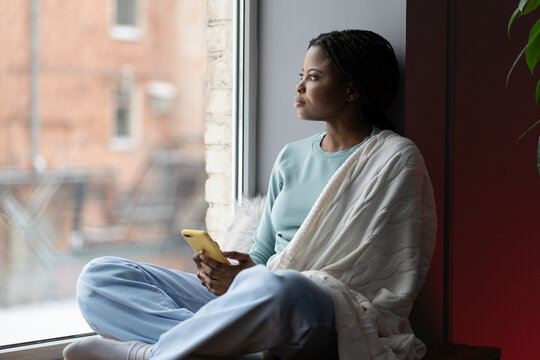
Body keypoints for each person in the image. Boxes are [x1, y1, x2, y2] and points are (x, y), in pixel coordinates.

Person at [63, 30, 436, 360]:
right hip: (254, 295)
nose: (299, 86)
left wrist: (253, 280)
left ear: (351, 89)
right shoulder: (291, 157)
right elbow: (261, 252)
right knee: (100, 278)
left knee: (286, 287)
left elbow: (379, 269)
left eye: (313, 77)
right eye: (300, 76)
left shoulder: (394, 157)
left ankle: (151, 353)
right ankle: (220, 349)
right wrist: (226, 273)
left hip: (322, 308)